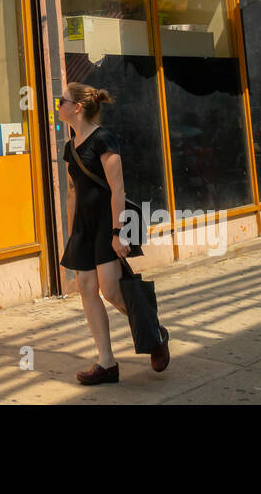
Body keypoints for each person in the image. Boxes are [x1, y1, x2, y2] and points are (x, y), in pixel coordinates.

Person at [57, 82, 169, 384]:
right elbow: (72, 191)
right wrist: (72, 232)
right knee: (85, 287)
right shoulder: (71, 146)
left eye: (62, 101)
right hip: (83, 227)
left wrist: (119, 232)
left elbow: (117, 188)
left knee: (110, 289)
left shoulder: (104, 139)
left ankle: (155, 332)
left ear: (77, 107)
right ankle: (106, 363)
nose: (58, 106)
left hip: (108, 224)